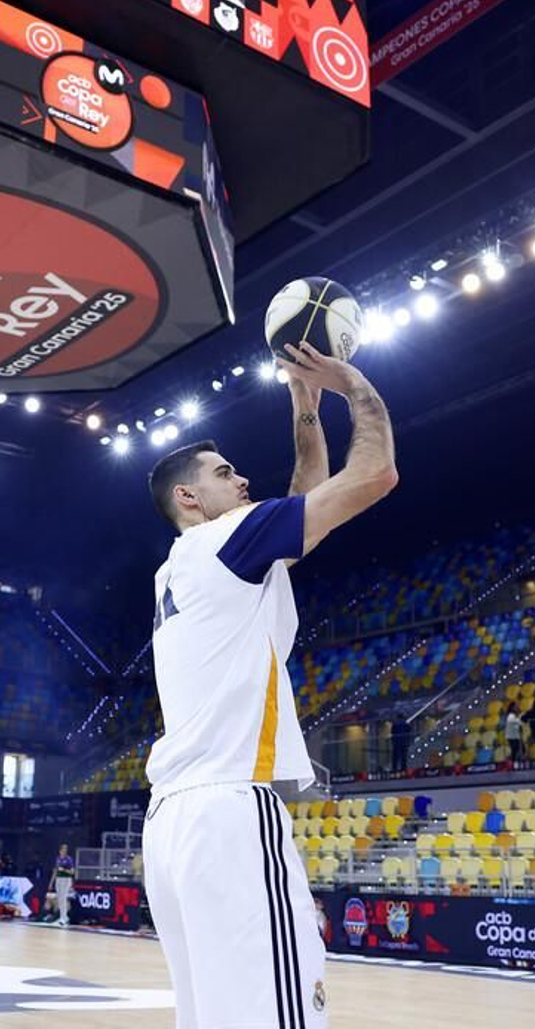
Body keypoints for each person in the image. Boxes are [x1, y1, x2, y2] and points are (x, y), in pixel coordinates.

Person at [142, 340, 397, 1029]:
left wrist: (304, 407)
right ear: (190, 497)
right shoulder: (229, 542)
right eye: (227, 474)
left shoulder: (185, 565)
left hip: (173, 822)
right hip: (229, 810)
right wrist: (350, 383)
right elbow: (374, 474)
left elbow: (301, 499)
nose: (244, 481)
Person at [51, 843, 76, 926]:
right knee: (59, 898)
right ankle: (63, 917)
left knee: (63, 897)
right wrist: (51, 882)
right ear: (60, 850)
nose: (64, 851)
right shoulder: (58, 859)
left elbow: (72, 872)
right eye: (63, 849)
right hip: (58, 879)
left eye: (66, 849)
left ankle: (64, 918)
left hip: (66, 879)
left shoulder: (69, 859)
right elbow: (55, 871)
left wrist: (64, 870)